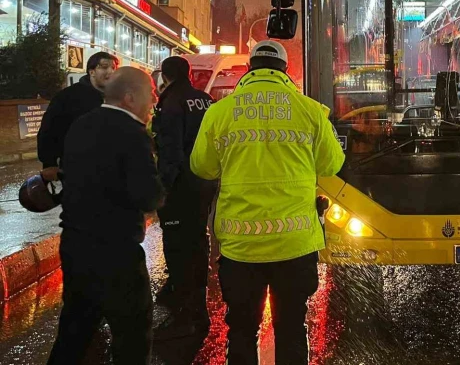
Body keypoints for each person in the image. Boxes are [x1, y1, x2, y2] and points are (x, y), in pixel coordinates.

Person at [190, 40, 345, 364]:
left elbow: (201, 167)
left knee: (242, 331)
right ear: (284, 71)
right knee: (290, 328)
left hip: (241, 247)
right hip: (295, 245)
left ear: (250, 69)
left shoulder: (220, 112)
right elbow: (331, 165)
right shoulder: (310, 111)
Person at [47, 67, 164, 365]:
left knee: (74, 333)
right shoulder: (132, 135)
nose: (153, 100)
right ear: (129, 98)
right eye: (149, 94)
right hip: (117, 255)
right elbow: (147, 196)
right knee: (133, 338)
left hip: (75, 247)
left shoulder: (81, 125)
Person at [151, 55, 218, 340]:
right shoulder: (205, 99)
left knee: (178, 247)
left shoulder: (171, 102)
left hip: (181, 185)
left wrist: (162, 189)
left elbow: (171, 151)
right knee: (198, 241)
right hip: (205, 182)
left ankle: (186, 313)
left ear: (165, 76)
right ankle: (195, 304)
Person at [37, 51, 119, 181]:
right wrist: (49, 163)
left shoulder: (118, 97)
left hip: (110, 170)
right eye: (104, 67)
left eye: (113, 68)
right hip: (77, 169)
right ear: (91, 72)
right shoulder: (68, 97)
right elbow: (49, 129)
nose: (110, 72)